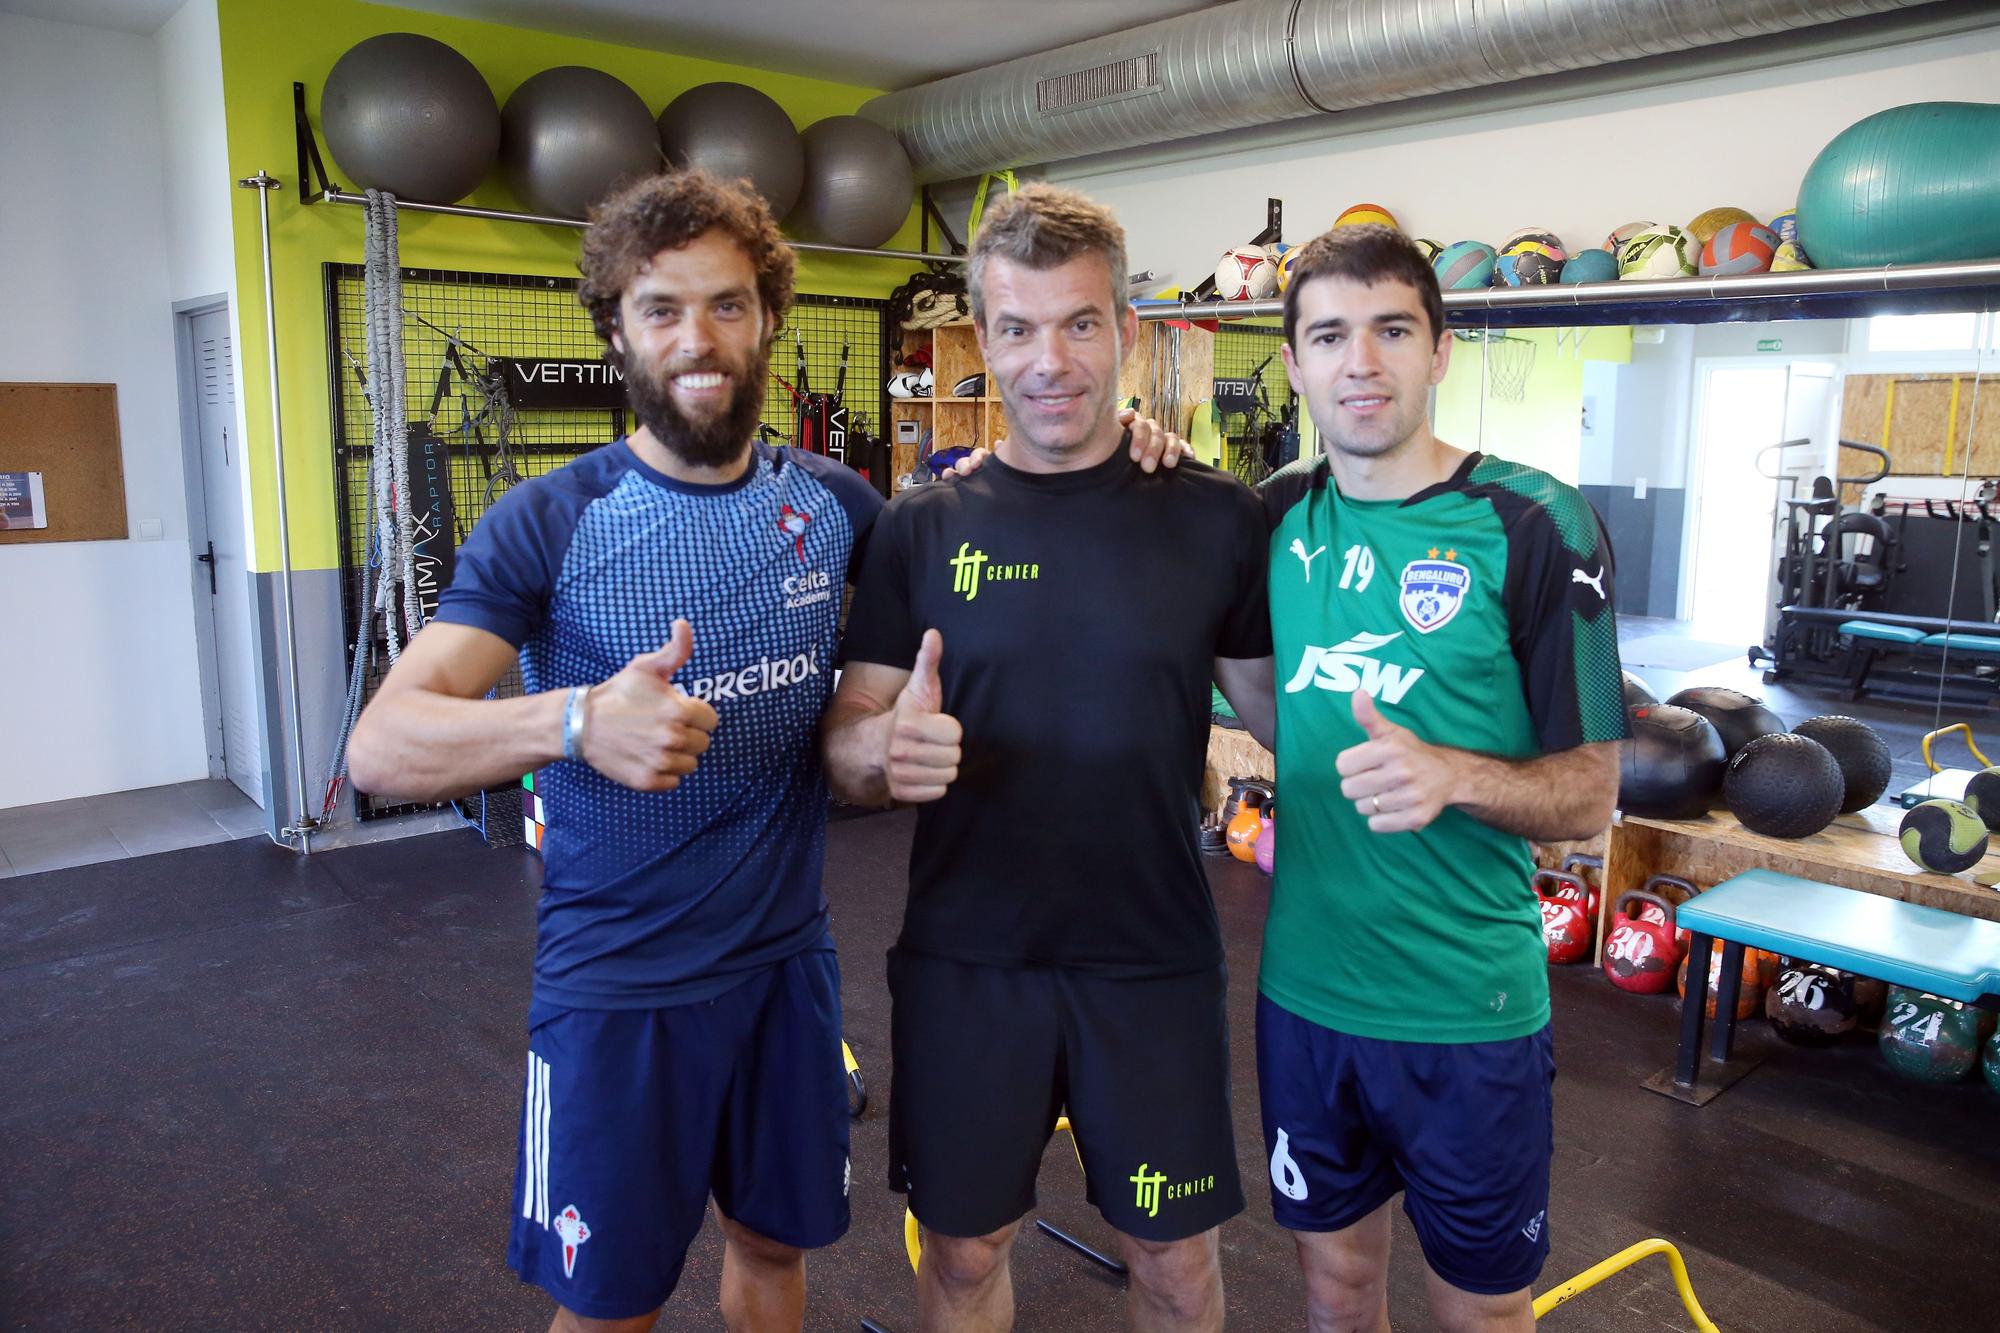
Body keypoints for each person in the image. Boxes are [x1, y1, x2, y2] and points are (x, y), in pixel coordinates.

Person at [346, 169, 884, 1333]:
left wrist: (1118, 435)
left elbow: (988, 522)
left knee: (774, 1249)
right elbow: (382, 747)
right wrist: (578, 719)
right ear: (615, 332)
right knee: (609, 1307)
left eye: (728, 304)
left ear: (767, 321)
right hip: (619, 990)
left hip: (787, 970)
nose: (699, 338)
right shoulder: (552, 517)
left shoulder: (837, 504)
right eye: (662, 308)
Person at [821, 182, 1276, 1333]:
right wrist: (884, 750)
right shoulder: (921, 528)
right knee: (965, 1254)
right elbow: (846, 744)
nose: (1049, 360)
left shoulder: (1215, 516)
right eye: (1017, 328)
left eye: (1080, 323)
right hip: (970, 962)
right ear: (984, 338)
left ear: (1126, 329)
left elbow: (1286, 716)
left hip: (1152, 962)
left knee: (1172, 1264)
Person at [1242, 226, 1625, 1333]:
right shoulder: (1268, 518)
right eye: (1328, 335)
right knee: (1335, 1286)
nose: (1359, 360)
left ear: (1438, 349)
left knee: (1483, 1313)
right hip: (1304, 1000)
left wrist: (1454, 775)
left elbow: (1592, 792)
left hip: (1470, 1009)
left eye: (1390, 329)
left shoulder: (1532, 522)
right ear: (1297, 364)